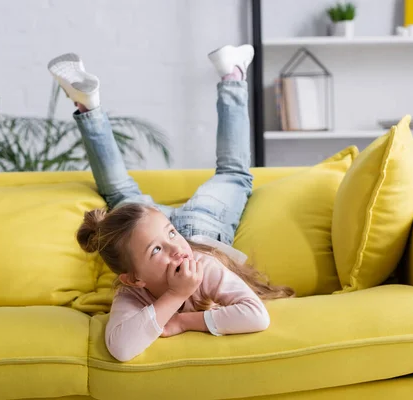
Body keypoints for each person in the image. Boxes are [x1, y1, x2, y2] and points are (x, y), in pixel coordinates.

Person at [47, 45, 294, 362]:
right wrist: (177, 294)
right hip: (168, 226)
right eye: (157, 252)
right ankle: (88, 106)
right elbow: (121, 348)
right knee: (128, 189)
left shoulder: (203, 266)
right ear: (134, 279)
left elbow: (257, 316)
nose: (177, 251)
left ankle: (231, 74)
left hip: (173, 226)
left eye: (170, 241)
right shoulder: (133, 291)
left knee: (129, 190)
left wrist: (182, 319)